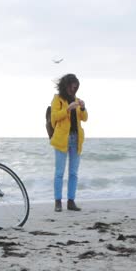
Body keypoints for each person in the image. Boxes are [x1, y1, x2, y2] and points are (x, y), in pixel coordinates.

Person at [50, 73, 87, 212]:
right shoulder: (57, 99)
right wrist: (67, 109)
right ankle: (58, 202)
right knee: (59, 173)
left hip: (76, 139)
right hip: (61, 139)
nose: (74, 90)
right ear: (66, 86)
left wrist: (82, 108)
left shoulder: (77, 99)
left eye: (76, 88)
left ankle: (71, 201)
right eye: (72, 87)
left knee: (73, 173)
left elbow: (85, 118)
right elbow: (54, 117)